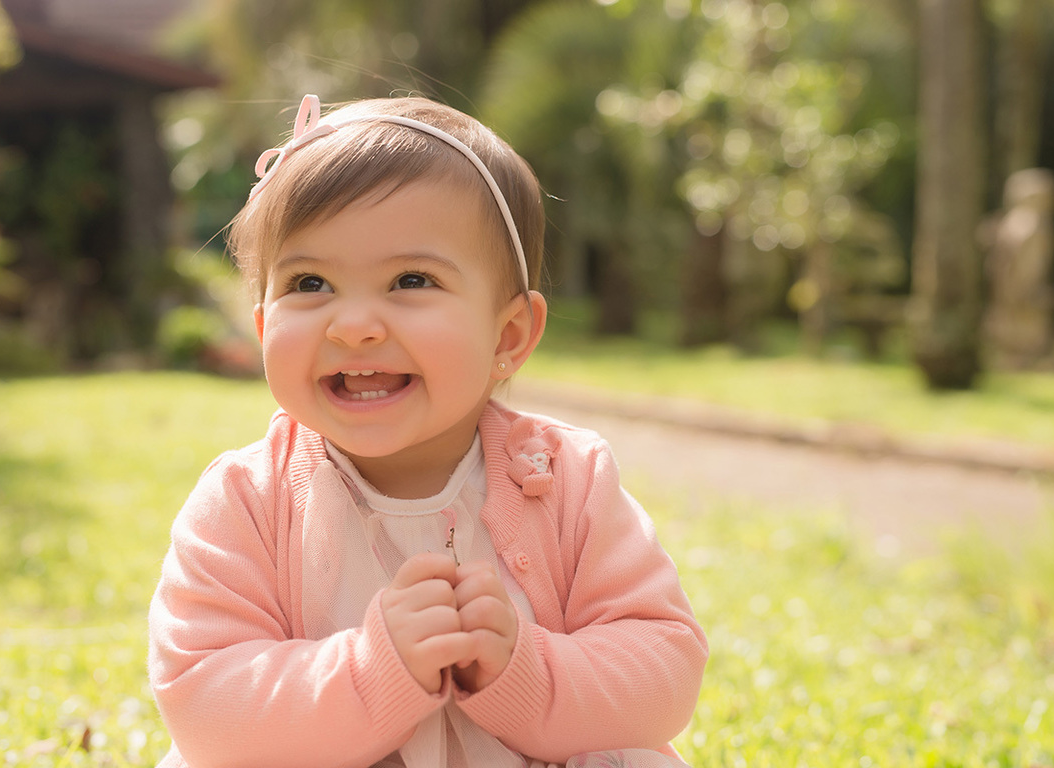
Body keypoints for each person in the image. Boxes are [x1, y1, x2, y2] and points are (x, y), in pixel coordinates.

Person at [148, 94, 709, 768]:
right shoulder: (246, 500)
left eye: (411, 279)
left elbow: (663, 673)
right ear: (266, 327)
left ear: (507, 336)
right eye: (310, 282)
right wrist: (372, 667)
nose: (353, 324)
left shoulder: (567, 478)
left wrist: (524, 667)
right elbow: (204, 704)